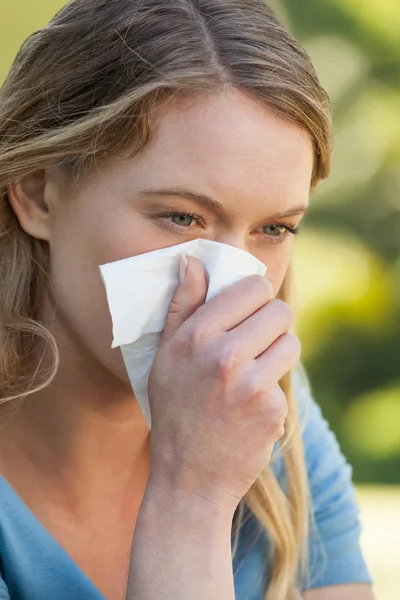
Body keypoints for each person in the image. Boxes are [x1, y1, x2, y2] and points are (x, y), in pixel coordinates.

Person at [0, 1, 374, 599]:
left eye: (273, 229)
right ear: (39, 194)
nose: (226, 283)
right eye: (181, 217)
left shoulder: (269, 413)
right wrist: (191, 498)